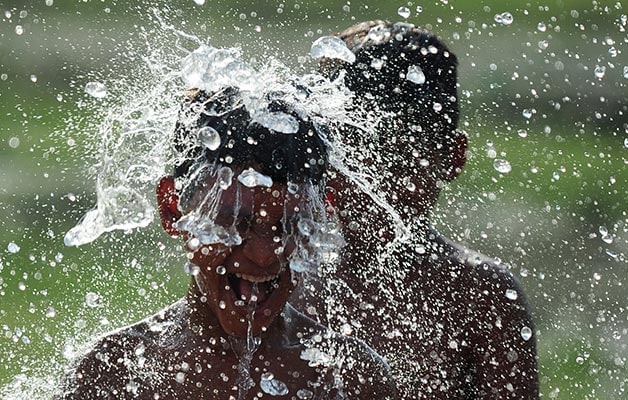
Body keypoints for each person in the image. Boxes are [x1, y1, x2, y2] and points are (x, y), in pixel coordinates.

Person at [55, 87, 396, 399]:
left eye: (290, 225)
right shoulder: (114, 374)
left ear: (323, 213)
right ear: (174, 210)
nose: (265, 255)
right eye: (235, 223)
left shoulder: (350, 377)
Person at [294, 21, 540, 398]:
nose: (372, 180)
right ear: (322, 158)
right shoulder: (281, 279)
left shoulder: (479, 295)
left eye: (398, 155)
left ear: (452, 159)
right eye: (352, 154)